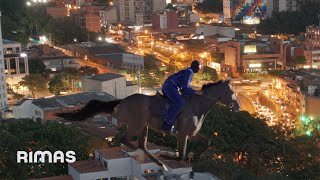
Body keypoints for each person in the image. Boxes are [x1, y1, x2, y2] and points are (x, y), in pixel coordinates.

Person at [161, 60, 201, 132]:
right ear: (195, 66)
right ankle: (167, 124)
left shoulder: (188, 71)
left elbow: (185, 87)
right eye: (199, 67)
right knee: (180, 102)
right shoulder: (189, 72)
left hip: (171, 87)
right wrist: (195, 92)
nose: (199, 69)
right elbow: (184, 87)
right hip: (169, 87)